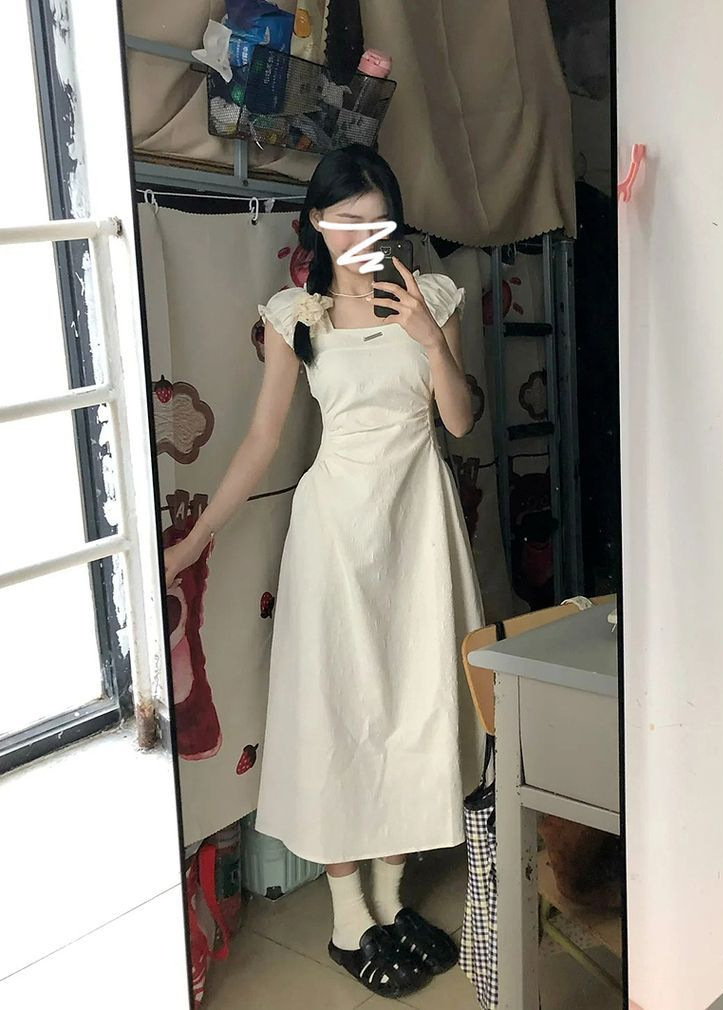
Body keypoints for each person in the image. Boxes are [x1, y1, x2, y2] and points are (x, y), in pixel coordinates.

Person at [164, 144, 485, 999]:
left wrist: (428, 339)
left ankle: (389, 900)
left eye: (376, 220)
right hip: (336, 531)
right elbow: (263, 440)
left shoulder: (434, 297)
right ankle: (349, 921)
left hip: (419, 524)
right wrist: (196, 542)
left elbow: (459, 420)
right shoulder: (294, 314)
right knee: (337, 707)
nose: (360, 235)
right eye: (344, 220)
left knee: (418, 701)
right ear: (315, 221)